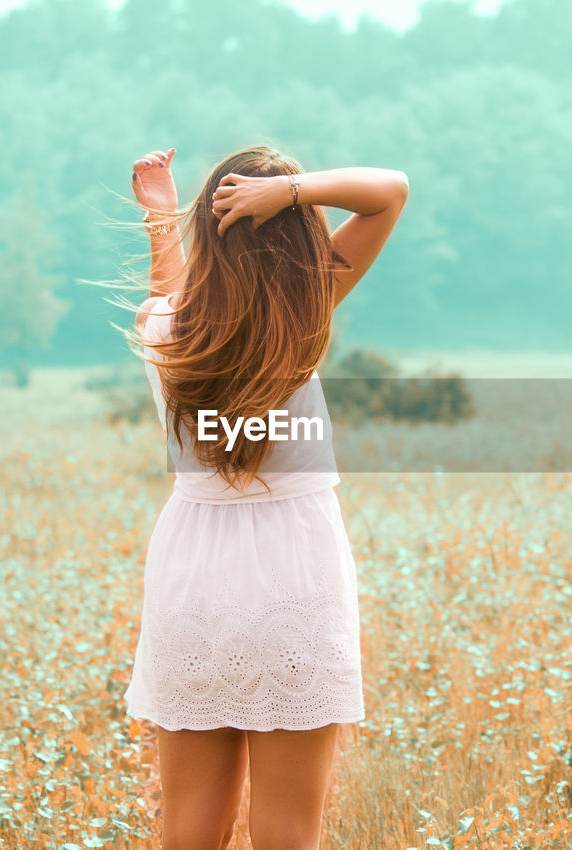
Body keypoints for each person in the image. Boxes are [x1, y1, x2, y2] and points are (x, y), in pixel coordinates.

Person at [118, 143, 409, 850]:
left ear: (205, 241)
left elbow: (173, 291)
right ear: (297, 231)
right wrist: (292, 191)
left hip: (193, 571)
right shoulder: (305, 310)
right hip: (294, 570)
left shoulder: (166, 329)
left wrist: (162, 215)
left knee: (188, 829)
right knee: (287, 833)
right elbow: (390, 190)